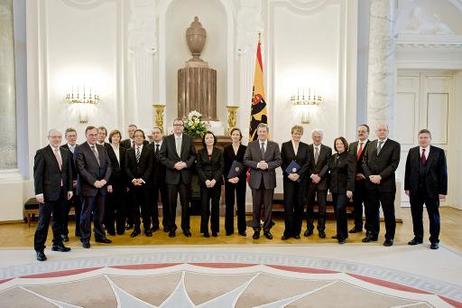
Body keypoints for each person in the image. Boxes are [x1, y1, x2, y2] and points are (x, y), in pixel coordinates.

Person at [33, 129, 73, 261]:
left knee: (60, 220)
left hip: (62, 193)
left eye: (59, 137)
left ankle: (57, 244)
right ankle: (39, 249)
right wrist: (38, 192)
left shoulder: (66, 152)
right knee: (43, 223)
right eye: (54, 137)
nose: (57, 139)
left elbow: (68, 173)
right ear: (48, 138)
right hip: (47, 194)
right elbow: (38, 175)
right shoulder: (42, 153)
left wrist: (69, 189)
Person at [405, 129, 447, 250]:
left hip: (432, 190)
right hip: (415, 190)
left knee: (433, 215)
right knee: (416, 215)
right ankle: (418, 237)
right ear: (418, 139)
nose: (423, 139)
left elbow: (443, 173)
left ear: (430, 139)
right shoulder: (412, 151)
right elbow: (408, 170)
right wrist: (407, 187)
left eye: (425, 137)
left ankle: (434, 240)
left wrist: (442, 191)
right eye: (421, 137)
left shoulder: (438, 152)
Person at [362, 123, 400, 247]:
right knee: (371, 211)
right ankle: (372, 234)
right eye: (380, 130)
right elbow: (364, 162)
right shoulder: (370, 144)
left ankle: (389, 237)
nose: (382, 132)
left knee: (388, 212)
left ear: (388, 131)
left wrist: (380, 176)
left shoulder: (395, 145)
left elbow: (394, 164)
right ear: (376, 132)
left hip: (386, 185)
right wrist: (370, 176)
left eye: (384, 130)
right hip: (371, 184)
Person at [75, 126, 112, 248]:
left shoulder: (102, 148)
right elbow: (81, 169)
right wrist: (94, 182)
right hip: (88, 188)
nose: (94, 137)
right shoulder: (80, 149)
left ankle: (100, 236)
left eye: (95, 134)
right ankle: (85, 238)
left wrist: (105, 180)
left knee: (100, 214)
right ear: (86, 135)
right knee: (85, 215)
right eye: (91, 135)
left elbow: (108, 165)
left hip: (101, 187)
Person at [159, 118, 196, 238]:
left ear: (183, 127)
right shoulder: (167, 139)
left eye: (180, 125)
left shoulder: (189, 139)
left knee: (186, 204)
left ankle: (186, 228)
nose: (178, 127)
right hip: (171, 177)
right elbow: (162, 156)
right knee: (171, 204)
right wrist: (173, 165)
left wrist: (186, 164)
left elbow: (193, 155)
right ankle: (172, 228)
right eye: (176, 125)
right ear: (173, 126)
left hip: (185, 177)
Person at [244, 123, 282, 240]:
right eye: (260, 131)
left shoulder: (274, 145)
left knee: (268, 207)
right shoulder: (251, 145)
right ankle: (256, 230)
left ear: (267, 133)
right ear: (257, 132)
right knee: (256, 207)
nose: (262, 133)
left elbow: (279, 161)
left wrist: (268, 165)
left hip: (269, 181)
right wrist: (257, 164)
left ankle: (267, 230)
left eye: (264, 131)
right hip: (255, 180)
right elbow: (245, 160)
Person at [280, 125, 310, 240]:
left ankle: (296, 231)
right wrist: (289, 174)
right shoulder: (285, 145)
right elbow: (282, 162)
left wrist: (298, 174)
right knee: (288, 205)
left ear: (301, 135)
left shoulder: (305, 147)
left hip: (301, 180)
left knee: (299, 205)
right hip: (288, 180)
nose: (297, 135)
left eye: (299, 133)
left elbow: (307, 163)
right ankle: (287, 232)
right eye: (295, 133)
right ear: (291, 133)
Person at [125, 129, 154, 237]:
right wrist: (133, 180)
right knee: (134, 208)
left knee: (146, 208)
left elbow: (150, 167)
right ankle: (136, 228)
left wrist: (142, 179)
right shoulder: (128, 151)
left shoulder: (149, 150)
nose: (138, 138)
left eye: (140, 136)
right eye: (136, 136)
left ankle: (147, 228)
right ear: (133, 138)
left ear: (143, 138)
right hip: (133, 185)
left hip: (145, 184)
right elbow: (126, 168)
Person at [328, 137, 355, 244]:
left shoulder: (350, 157)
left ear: (345, 144)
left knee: (340, 209)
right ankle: (342, 232)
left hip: (345, 189)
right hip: (335, 189)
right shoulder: (333, 157)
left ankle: (341, 236)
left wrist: (350, 189)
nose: (339, 145)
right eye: (337, 143)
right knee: (338, 211)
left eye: (341, 143)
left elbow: (351, 174)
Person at [305, 129, 332, 239]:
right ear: (312, 137)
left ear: (322, 137)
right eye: (315, 136)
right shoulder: (307, 148)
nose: (317, 138)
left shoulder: (328, 149)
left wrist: (319, 176)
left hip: (322, 182)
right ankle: (309, 228)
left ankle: (321, 229)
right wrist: (312, 175)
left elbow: (327, 165)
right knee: (309, 206)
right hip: (310, 182)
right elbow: (305, 164)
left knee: (322, 207)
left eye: (319, 136)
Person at [196, 131, 224, 237]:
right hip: (204, 183)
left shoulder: (219, 151)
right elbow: (198, 167)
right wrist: (206, 180)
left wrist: (214, 180)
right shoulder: (200, 152)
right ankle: (205, 230)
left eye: (211, 137)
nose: (209, 139)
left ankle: (215, 229)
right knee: (204, 207)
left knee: (215, 206)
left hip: (215, 183)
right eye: (207, 138)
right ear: (204, 140)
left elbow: (221, 167)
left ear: (214, 139)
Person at [223, 128, 247, 236]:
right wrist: (229, 178)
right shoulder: (226, 149)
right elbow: (224, 166)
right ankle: (229, 229)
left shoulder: (245, 149)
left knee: (241, 204)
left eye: (238, 134)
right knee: (229, 204)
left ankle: (242, 229)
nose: (236, 136)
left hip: (240, 180)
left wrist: (239, 177)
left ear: (240, 137)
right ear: (231, 136)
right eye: (234, 134)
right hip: (229, 180)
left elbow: (246, 164)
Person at [348, 124, 370, 234]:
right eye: (359, 131)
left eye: (363, 131)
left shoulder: (372, 145)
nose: (360, 133)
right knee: (356, 205)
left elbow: (373, 164)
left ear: (368, 133)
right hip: (355, 181)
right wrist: (355, 174)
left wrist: (365, 174)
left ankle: (368, 227)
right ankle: (358, 226)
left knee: (368, 205)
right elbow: (349, 163)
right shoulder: (352, 145)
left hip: (367, 181)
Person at [60, 127, 81, 240]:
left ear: (76, 136)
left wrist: (78, 180)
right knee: (64, 210)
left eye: (74, 135)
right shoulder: (61, 149)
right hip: (66, 186)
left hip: (79, 185)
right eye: (70, 136)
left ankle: (79, 231)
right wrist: (70, 181)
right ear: (66, 137)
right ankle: (64, 233)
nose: (72, 137)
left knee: (80, 210)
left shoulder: (81, 148)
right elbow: (61, 169)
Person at [105, 129, 127, 236]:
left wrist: (127, 184)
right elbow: (105, 168)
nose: (116, 138)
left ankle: (121, 229)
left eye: (118, 136)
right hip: (111, 183)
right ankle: (110, 230)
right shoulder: (105, 149)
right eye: (114, 136)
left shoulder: (124, 150)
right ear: (110, 138)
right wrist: (108, 183)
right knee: (110, 207)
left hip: (122, 183)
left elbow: (126, 168)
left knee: (122, 207)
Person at [148, 127, 169, 232]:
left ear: (162, 134)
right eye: (153, 133)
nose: (155, 134)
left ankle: (166, 224)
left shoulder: (168, 146)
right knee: (152, 203)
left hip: (166, 179)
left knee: (166, 202)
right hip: (151, 180)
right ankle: (155, 224)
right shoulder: (148, 147)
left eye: (157, 133)